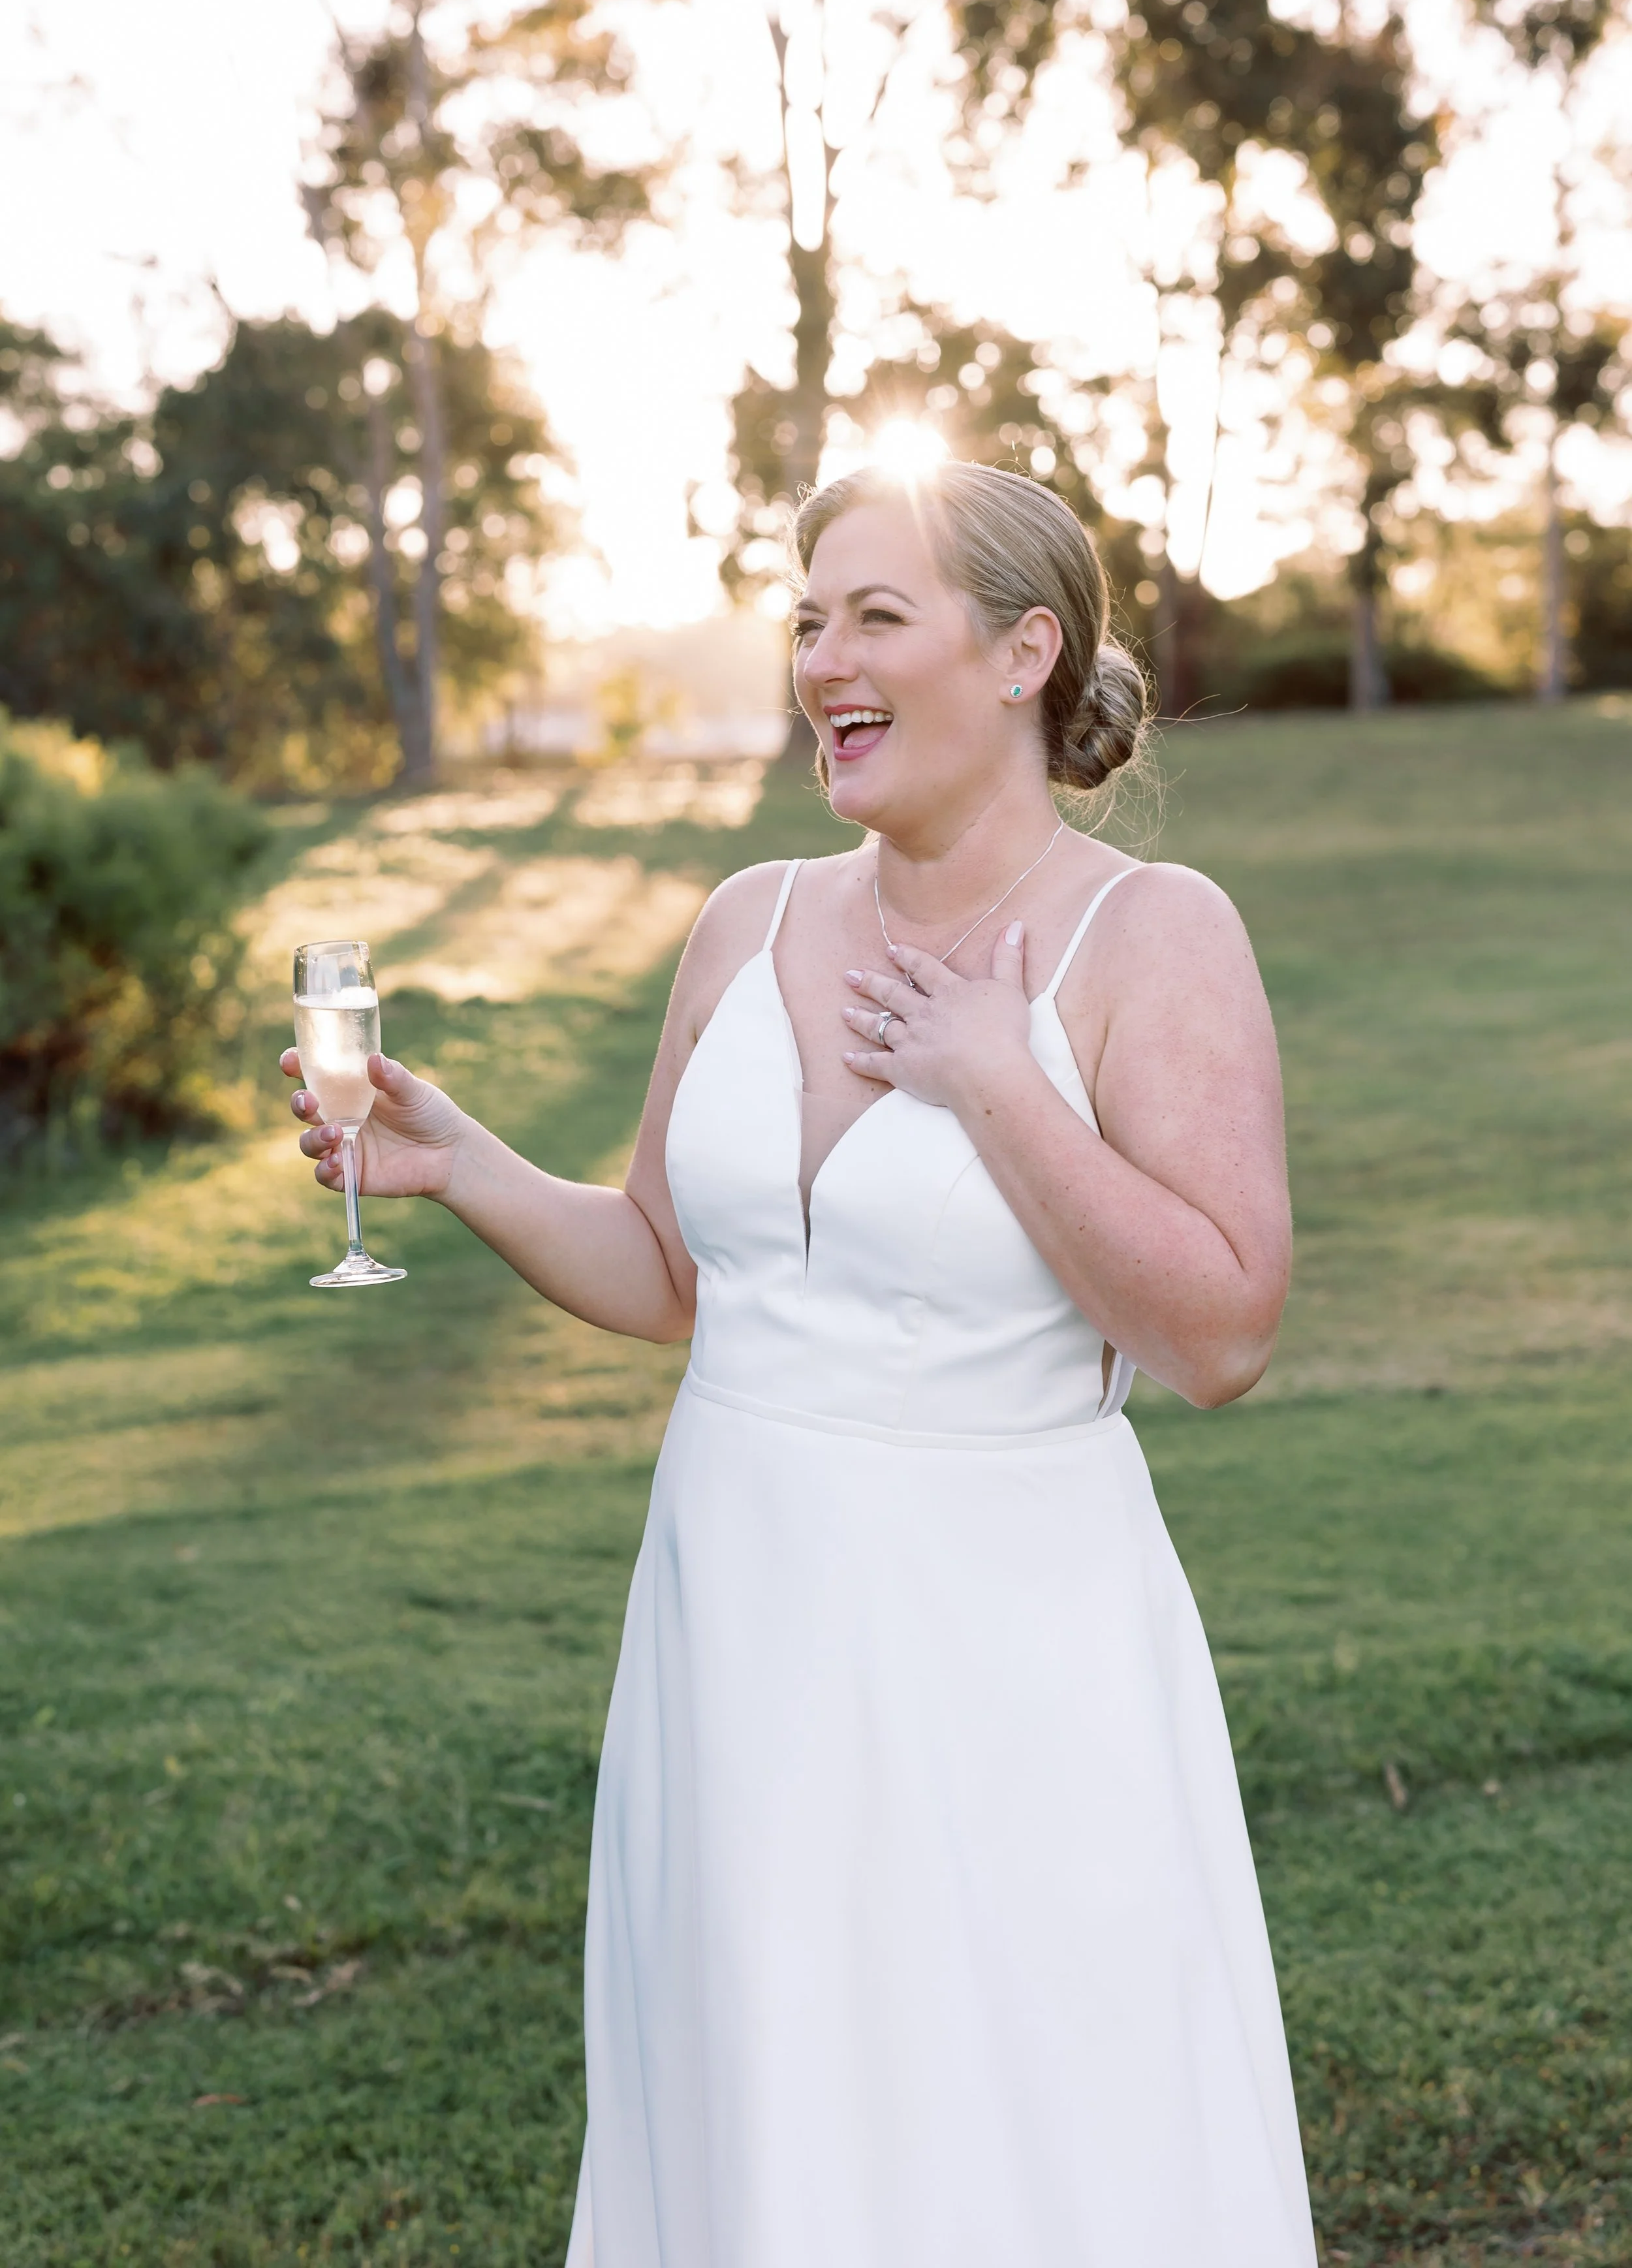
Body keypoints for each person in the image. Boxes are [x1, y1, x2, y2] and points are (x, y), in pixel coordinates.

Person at [283, 460, 1316, 2268]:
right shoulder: (746, 922)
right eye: (805, 619)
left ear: (1019, 652)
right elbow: (676, 1269)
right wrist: (465, 1170)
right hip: (735, 1625)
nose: (820, 656)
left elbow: (1222, 1329)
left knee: (1017, 2107)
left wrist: (994, 1075)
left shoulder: (1151, 936)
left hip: (1011, 1647)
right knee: (764, 2103)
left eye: (873, 614)